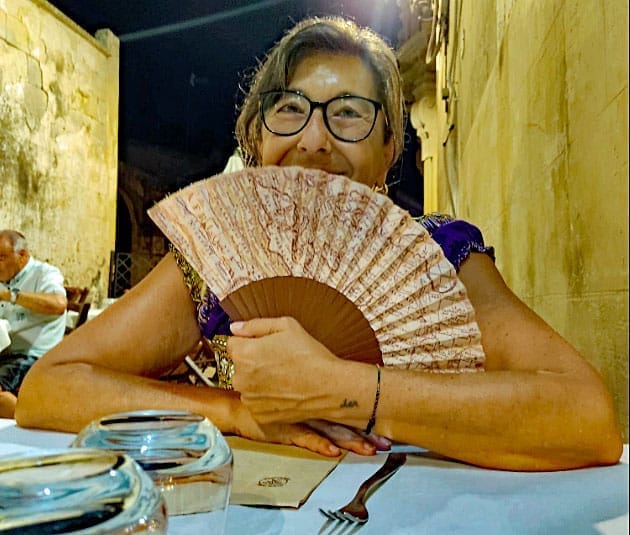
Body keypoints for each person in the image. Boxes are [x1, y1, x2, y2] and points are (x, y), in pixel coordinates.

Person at [17, 17, 621, 471]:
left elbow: (587, 419)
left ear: (389, 148)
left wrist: (343, 388)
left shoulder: (439, 256)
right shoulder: (217, 261)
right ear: (256, 140)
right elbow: (50, 388)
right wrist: (240, 412)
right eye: (289, 109)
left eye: (349, 113)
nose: (313, 140)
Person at [0, 230, 67, 417]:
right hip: (4, 352)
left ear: (22, 255)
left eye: (1, 258)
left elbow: (59, 304)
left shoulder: (44, 273)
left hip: (31, 355)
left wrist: (12, 296)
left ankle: (32, 418)